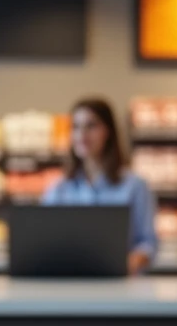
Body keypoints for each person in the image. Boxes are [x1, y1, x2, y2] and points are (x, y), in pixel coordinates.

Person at [41, 97, 158, 275]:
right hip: (69, 287)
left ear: (108, 131)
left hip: (120, 289)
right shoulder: (58, 190)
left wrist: (128, 263)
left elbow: (148, 243)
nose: (82, 135)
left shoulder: (135, 187)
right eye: (76, 127)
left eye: (91, 126)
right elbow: (44, 242)